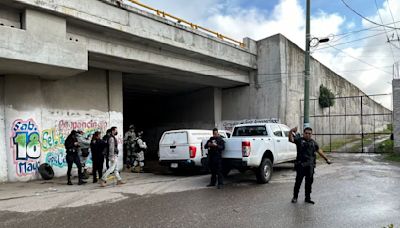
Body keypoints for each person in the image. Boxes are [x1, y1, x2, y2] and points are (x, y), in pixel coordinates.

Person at [288, 126, 331, 204]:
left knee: (309, 183)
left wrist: (326, 159)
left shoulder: (313, 143)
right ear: (303, 133)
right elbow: (290, 139)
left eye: (309, 133)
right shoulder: (299, 140)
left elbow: (319, 151)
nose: (308, 135)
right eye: (306, 133)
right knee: (298, 182)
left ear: (311, 134)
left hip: (310, 166)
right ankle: (295, 197)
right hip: (301, 165)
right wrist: (291, 131)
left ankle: (307, 198)